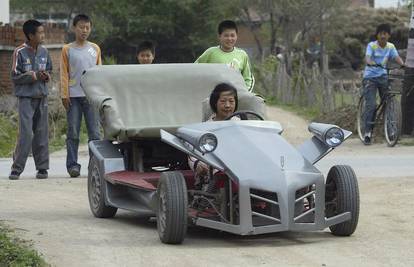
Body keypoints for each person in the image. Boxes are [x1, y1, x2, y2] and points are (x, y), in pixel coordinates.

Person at [8, 20, 52, 180]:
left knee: (42, 133)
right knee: (26, 134)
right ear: (30, 35)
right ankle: (17, 168)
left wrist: (46, 76)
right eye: (40, 33)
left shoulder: (45, 52)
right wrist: (33, 75)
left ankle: (42, 168)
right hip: (25, 99)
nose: (43, 35)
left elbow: (49, 69)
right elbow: (14, 76)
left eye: (43, 32)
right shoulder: (19, 52)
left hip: (42, 97)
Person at [60, 14, 102, 177]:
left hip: (91, 97)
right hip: (73, 97)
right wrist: (64, 94)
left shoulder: (95, 49)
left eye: (87, 27)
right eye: (81, 27)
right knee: (73, 132)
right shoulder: (67, 49)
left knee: (95, 133)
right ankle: (72, 165)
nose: (84, 30)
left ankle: (95, 164)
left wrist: (100, 94)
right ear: (74, 28)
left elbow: (100, 73)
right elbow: (64, 73)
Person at [362, 23, 405, 145]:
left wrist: (402, 64)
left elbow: (396, 57)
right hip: (370, 78)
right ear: (377, 35)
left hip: (383, 77)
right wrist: (370, 63)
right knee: (371, 105)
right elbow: (368, 58)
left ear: (389, 35)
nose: (383, 36)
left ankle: (391, 131)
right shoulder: (372, 45)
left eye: (385, 34)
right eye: (381, 33)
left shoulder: (391, 47)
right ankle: (367, 133)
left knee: (388, 104)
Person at [188, 83, 238, 185]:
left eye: (231, 101)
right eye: (223, 101)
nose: (228, 105)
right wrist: (198, 164)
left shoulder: (242, 125)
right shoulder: (205, 129)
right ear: (215, 103)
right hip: (215, 176)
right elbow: (192, 152)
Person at [195, 20, 255, 92]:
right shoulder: (210, 52)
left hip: (235, 97)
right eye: (226, 35)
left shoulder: (242, 55)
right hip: (214, 96)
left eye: (232, 35)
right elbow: (195, 69)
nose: (229, 39)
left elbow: (248, 78)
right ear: (219, 36)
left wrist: (245, 93)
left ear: (236, 36)